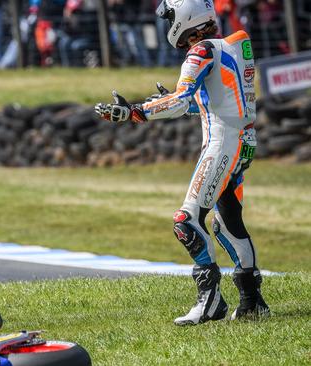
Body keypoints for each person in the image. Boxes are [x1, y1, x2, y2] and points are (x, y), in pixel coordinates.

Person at [95, 0, 269, 326]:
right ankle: (252, 301)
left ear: (185, 17)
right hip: (243, 143)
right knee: (226, 223)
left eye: (170, 17)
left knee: (185, 221)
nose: (167, 23)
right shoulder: (228, 45)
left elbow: (181, 99)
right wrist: (164, 102)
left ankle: (210, 300)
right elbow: (215, 103)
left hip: (222, 144)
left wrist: (135, 111)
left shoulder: (200, 51)